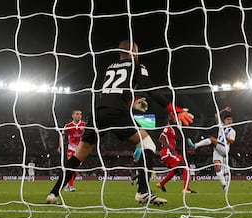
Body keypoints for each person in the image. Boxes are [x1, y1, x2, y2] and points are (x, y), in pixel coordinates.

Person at [46, 40, 194, 205]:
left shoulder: (110, 67)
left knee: (78, 155)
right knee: (148, 145)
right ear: (133, 52)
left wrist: (132, 102)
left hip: (98, 113)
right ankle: (143, 192)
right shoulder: (137, 66)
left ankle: (53, 193)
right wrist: (173, 108)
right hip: (117, 112)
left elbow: (114, 92)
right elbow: (150, 88)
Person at [187, 106, 235, 191]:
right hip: (217, 149)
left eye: (231, 120)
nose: (229, 121)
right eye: (228, 119)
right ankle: (224, 185)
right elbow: (216, 115)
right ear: (224, 121)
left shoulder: (232, 131)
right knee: (217, 167)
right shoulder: (221, 126)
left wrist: (225, 137)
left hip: (224, 148)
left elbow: (231, 142)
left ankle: (195, 145)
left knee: (212, 139)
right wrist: (224, 110)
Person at [156, 115, 197, 193]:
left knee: (176, 170)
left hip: (169, 153)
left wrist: (187, 150)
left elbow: (172, 144)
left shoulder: (172, 129)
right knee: (185, 165)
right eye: (173, 117)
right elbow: (161, 139)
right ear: (169, 118)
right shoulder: (167, 128)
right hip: (168, 153)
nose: (175, 118)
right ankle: (186, 189)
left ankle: (161, 184)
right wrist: (170, 148)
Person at [57, 109, 86, 192]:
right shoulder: (68, 125)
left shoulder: (84, 125)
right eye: (77, 114)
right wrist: (60, 145)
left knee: (76, 171)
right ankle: (71, 186)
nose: (79, 115)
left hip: (81, 149)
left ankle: (67, 183)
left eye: (80, 114)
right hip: (71, 149)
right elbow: (62, 135)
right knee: (72, 168)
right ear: (73, 115)